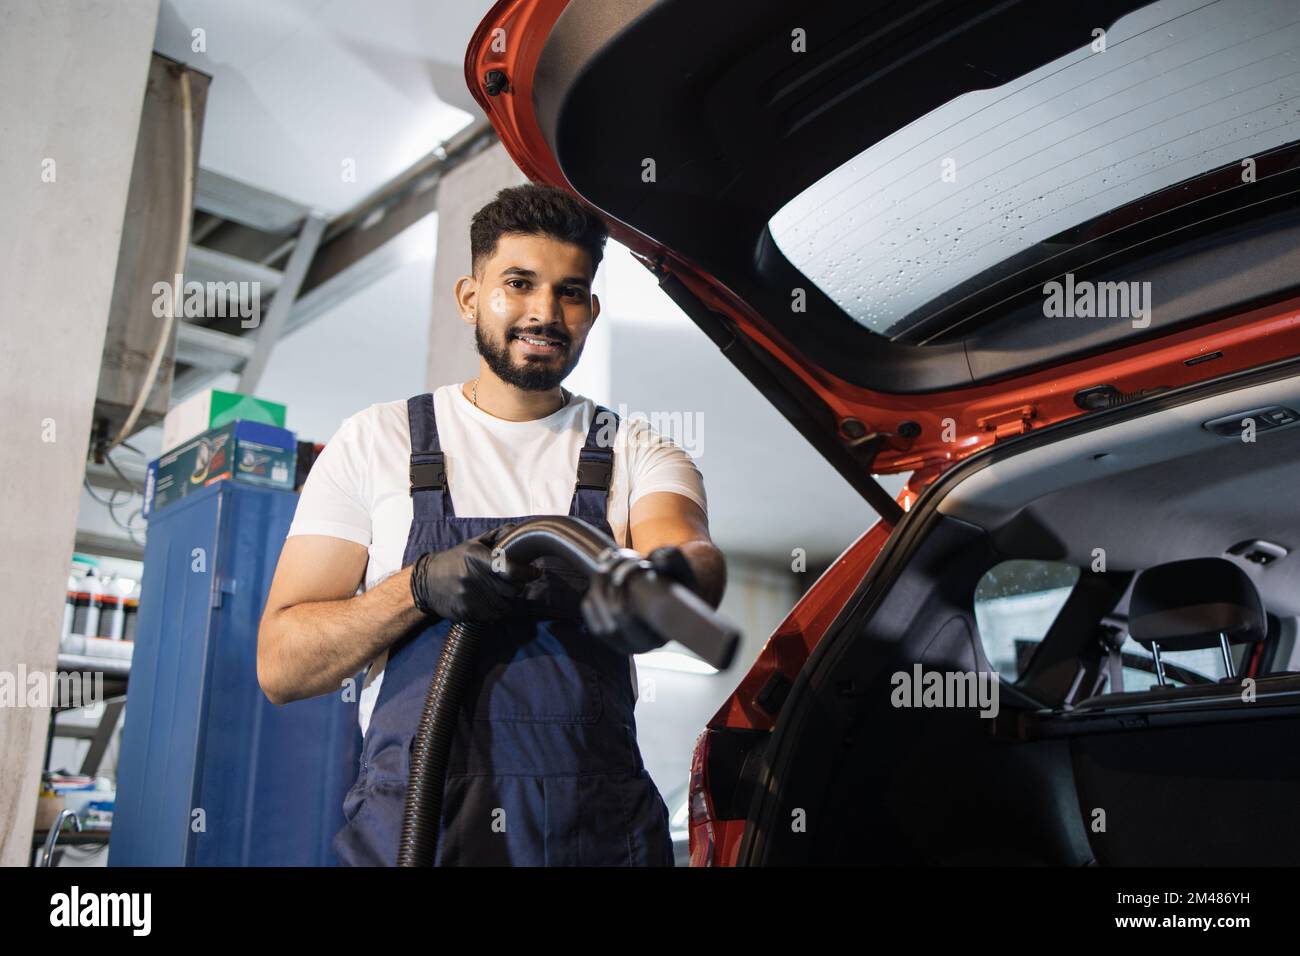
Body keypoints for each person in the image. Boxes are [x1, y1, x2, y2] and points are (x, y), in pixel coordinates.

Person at [257, 183, 726, 866]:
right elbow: (281, 664)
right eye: (518, 283)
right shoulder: (375, 441)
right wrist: (415, 588)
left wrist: (659, 584)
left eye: (569, 291)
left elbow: (690, 551)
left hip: (590, 835)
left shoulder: (634, 448)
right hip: (417, 829)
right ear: (470, 297)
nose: (544, 312)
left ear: (591, 311)